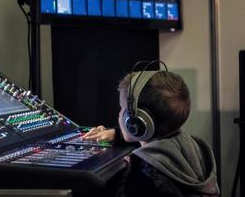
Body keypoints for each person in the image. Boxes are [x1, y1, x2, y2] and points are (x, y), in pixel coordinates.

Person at [82, 69, 220, 197]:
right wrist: (116, 134)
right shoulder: (193, 146)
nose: (119, 113)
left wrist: (129, 173)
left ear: (137, 121)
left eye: (122, 107)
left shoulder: (147, 176)